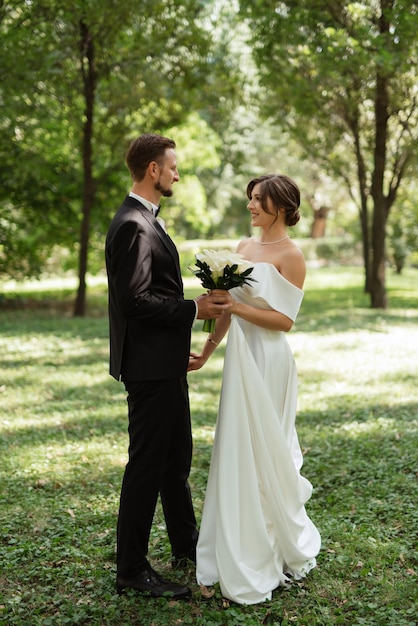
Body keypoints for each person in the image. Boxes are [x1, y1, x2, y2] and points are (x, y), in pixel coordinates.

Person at [105, 133, 230, 600]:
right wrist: (194, 311)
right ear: (153, 170)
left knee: (175, 461)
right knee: (146, 466)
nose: (177, 173)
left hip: (165, 362)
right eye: (172, 166)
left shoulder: (145, 220)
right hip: (149, 369)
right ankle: (132, 570)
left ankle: (186, 544)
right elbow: (134, 301)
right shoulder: (133, 225)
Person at [188, 174, 321, 605]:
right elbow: (225, 311)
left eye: (257, 200)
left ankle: (271, 543)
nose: (250, 206)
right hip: (240, 360)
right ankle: (235, 538)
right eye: (249, 199)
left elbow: (285, 321)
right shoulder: (243, 249)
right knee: (237, 446)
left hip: (271, 360)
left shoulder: (292, 256)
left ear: (280, 206)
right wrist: (208, 349)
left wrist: (238, 306)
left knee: (269, 446)